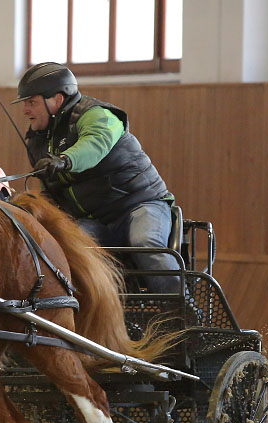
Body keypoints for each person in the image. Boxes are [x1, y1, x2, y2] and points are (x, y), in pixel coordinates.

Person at [13, 62, 179, 293]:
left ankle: (182, 311)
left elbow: (94, 144)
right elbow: (51, 193)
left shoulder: (97, 115)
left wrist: (64, 160)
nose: (25, 110)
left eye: (31, 102)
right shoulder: (37, 142)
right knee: (64, 249)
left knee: (145, 243)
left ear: (57, 100)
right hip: (94, 219)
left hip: (140, 204)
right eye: (24, 103)